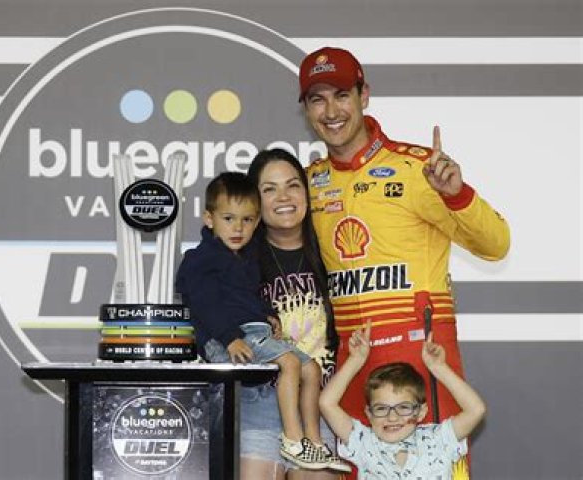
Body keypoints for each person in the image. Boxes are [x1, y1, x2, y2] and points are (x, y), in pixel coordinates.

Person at [298, 46, 510, 475]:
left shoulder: (418, 169)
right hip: (353, 359)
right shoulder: (310, 182)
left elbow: (496, 245)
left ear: (364, 95)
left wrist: (457, 195)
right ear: (305, 108)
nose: (331, 111)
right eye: (317, 99)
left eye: (342, 95)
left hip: (421, 354)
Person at [175, 171, 341, 471]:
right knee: (290, 363)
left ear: (257, 221)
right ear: (209, 218)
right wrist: (229, 337)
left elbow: (246, 298)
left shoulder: (245, 257)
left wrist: (268, 314)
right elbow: (204, 304)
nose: (238, 228)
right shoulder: (200, 258)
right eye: (228, 218)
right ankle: (293, 439)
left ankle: (314, 442)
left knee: (311, 369)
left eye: (248, 220)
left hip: (254, 332)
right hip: (227, 340)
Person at [240, 149, 350, 479]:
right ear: (254, 201)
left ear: (306, 192)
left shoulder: (334, 251)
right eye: (269, 189)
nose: (283, 197)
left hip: (318, 414)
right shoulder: (239, 260)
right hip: (259, 407)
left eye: (292, 185)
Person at [320, 320, 486, 479]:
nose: (392, 417)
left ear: (421, 412)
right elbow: (326, 403)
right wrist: (355, 360)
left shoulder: (439, 439)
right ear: (369, 413)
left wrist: (440, 368)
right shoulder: (364, 442)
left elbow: (476, 410)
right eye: (381, 408)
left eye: (404, 407)